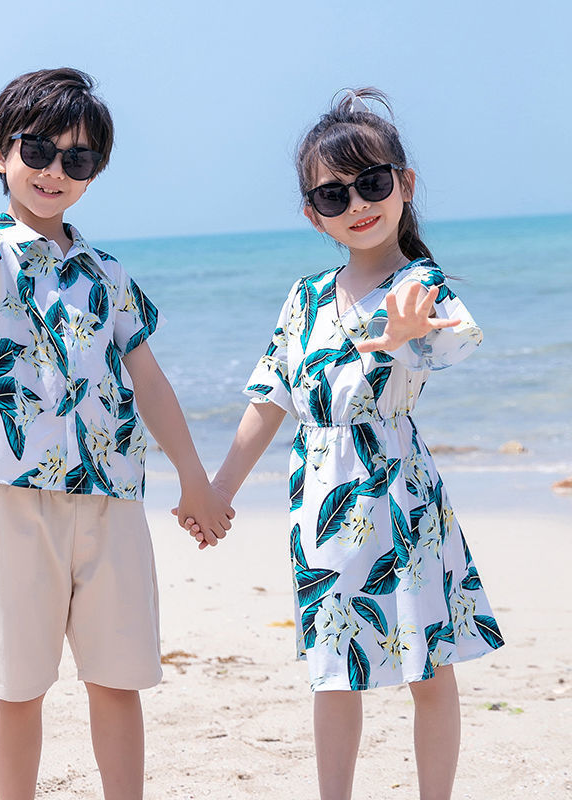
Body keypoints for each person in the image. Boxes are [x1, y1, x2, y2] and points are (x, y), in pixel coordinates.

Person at [0, 67, 233, 800]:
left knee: (118, 678)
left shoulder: (108, 271)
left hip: (113, 496)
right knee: (18, 683)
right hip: (19, 497)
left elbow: (151, 382)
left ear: (95, 173)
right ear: (2, 152)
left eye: (78, 159)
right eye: (37, 149)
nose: (53, 171)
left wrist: (195, 477)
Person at [183, 88, 504, 800]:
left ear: (404, 184)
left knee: (428, 665)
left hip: (399, 494)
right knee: (333, 668)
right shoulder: (305, 297)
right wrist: (218, 492)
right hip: (321, 497)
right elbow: (270, 400)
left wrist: (406, 336)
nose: (357, 203)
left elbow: (451, 343)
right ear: (312, 212)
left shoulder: (421, 285)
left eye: (372, 182)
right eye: (333, 195)